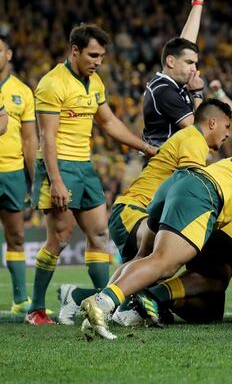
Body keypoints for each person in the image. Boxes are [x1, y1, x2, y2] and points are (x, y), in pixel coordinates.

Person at [79, 145, 232, 339]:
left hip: (182, 181)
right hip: (209, 199)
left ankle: (110, 308)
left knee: (148, 259)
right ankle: (106, 303)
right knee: (169, 264)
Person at [56, 99, 232, 326]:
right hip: (134, 211)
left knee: (153, 263)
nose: (228, 134)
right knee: (165, 257)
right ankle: (114, 306)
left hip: (134, 210)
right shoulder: (194, 140)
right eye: (226, 127)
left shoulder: (191, 139)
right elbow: (191, 186)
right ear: (212, 122)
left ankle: (81, 297)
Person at [26, 24, 158, 325]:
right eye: (93, 55)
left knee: (99, 234)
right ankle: (35, 309)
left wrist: (144, 148)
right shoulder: (51, 84)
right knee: (58, 239)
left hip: (84, 166)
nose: (98, 62)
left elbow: (109, 123)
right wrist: (56, 180)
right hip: (58, 166)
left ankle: (99, 301)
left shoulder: (94, 82)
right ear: (75, 51)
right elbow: (47, 138)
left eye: (101, 56)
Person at [142, 0, 207, 148]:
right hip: (165, 170)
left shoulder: (168, 82)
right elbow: (197, 132)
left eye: (195, 63)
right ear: (171, 62)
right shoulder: (164, 91)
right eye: (190, 63)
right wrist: (198, 93)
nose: (194, 69)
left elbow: (185, 48)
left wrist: (197, 4)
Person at [0, 35, 37, 314]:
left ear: (8, 54)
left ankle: (20, 299)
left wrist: (34, 177)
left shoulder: (22, 91)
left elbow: (28, 140)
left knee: (17, 236)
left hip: (12, 172)